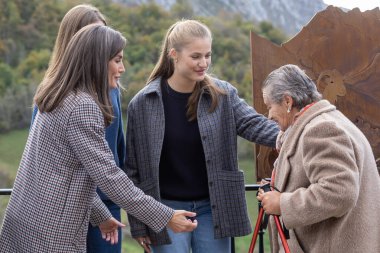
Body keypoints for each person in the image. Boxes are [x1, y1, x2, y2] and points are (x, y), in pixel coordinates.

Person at [0, 24, 197, 253]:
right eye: (117, 60)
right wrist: (166, 216)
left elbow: (64, 172)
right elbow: (109, 176)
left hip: (27, 224)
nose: (122, 68)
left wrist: (101, 215)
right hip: (51, 235)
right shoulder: (82, 106)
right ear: (96, 61)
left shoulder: (58, 94)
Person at [124, 19, 279, 253]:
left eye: (208, 55)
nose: (203, 63)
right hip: (165, 210)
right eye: (196, 56)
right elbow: (133, 169)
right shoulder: (143, 103)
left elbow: (254, 124)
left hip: (213, 209)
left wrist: (295, 137)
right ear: (174, 54)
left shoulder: (223, 94)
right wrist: (139, 225)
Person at [29, 4, 126, 252]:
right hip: (70, 206)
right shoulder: (54, 94)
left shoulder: (112, 89)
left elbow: (118, 149)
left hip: (108, 198)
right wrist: (99, 212)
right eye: (91, 35)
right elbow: (48, 165)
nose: (98, 43)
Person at [257, 64, 380, 253]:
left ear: (287, 101)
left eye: (269, 106)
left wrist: (282, 203)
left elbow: (340, 190)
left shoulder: (319, 130)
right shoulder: (328, 122)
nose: (269, 115)